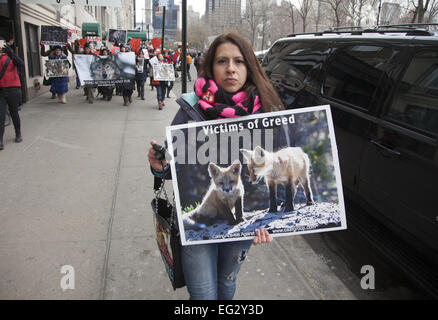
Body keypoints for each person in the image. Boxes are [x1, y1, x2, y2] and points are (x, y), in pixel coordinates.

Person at [147, 33, 284, 300]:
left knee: (226, 287)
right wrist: (159, 166)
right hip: (199, 227)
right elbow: (173, 167)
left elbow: (274, 175)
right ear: (211, 67)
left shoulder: (267, 112)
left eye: (239, 61)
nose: (230, 68)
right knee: (203, 295)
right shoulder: (190, 108)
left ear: (249, 67)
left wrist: (271, 223)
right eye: (222, 61)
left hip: (242, 227)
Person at [0, 37, 24, 150]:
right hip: (1, 90)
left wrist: (12, 54)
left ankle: (18, 133)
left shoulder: (10, 55)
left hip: (13, 89)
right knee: (1, 115)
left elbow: (21, 64)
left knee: (14, 113)